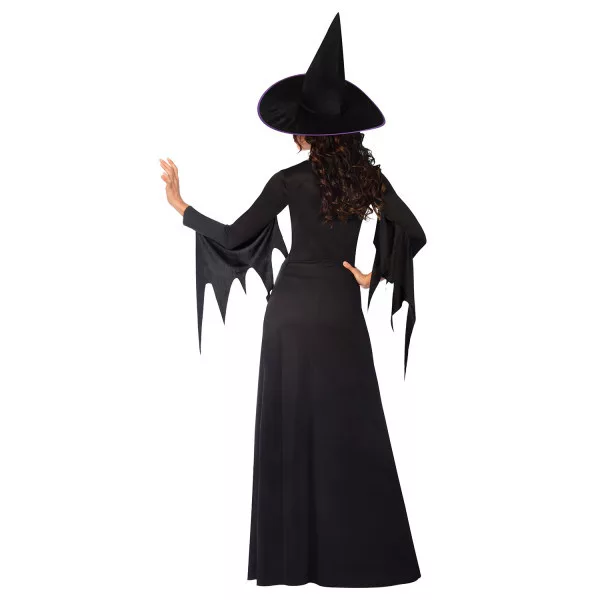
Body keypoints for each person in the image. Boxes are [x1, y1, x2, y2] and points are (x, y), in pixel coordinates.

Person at [160, 13, 427, 588]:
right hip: (339, 311)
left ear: (304, 134)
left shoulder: (289, 181)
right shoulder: (367, 182)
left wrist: (182, 207)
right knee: (352, 426)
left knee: (292, 425)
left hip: (289, 314)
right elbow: (415, 232)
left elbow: (234, 236)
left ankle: (292, 562)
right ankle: (361, 561)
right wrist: (374, 274)